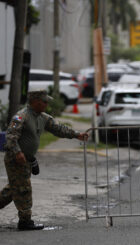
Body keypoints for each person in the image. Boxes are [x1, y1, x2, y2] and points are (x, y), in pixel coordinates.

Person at [0, 90, 88, 231]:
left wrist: (77, 135)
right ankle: (25, 221)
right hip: (15, 158)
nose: (47, 104)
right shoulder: (21, 116)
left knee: (14, 188)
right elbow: (11, 136)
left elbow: (59, 129)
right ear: (35, 102)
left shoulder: (43, 117)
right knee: (23, 189)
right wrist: (18, 152)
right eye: (44, 101)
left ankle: (24, 218)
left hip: (27, 159)